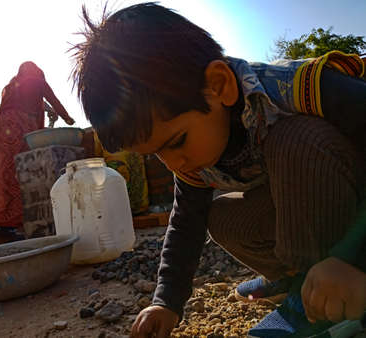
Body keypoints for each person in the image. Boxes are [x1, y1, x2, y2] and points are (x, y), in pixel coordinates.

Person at [70, 3, 366, 337]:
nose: (174, 163)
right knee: (219, 216)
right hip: (320, 216)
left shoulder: (303, 88)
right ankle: (298, 280)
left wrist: (349, 258)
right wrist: (166, 301)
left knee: (294, 140)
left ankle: (321, 302)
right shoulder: (192, 151)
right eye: (157, 154)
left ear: (219, 85)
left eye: (177, 141)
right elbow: (185, 226)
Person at [0, 61, 75, 228]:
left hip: (2, 126)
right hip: (20, 125)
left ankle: (2, 217)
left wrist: (48, 110)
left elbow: (35, 101)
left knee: (5, 171)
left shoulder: (14, 85)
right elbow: (53, 101)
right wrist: (68, 119)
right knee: (22, 170)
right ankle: (17, 218)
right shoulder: (38, 82)